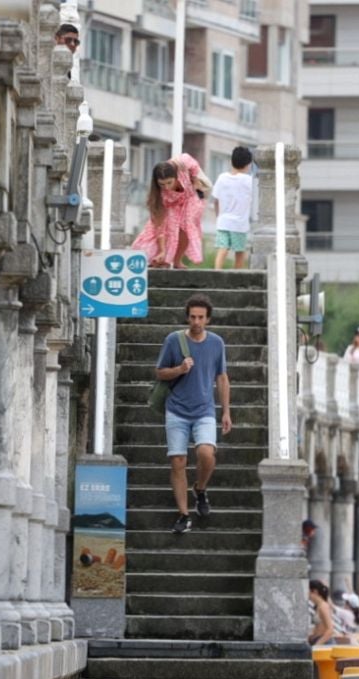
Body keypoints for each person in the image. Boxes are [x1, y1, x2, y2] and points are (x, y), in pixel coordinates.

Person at [155, 294, 231, 534]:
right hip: (176, 409)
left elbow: (222, 377)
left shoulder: (216, 343)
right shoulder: (173, 340)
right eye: (193, 317)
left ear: (208, 319)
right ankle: (184, 514)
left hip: (204, 409)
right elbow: (159, 373)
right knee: (178, 461)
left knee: (206, 453)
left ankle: (200, 488)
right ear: (187, 317)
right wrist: (179, 369)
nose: (196, 321)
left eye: (201, 317)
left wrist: (226, 411)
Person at [132, 155, 205, 269]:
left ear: (176, 176)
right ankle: (163, 258)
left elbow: (192, 164)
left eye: (169, 182)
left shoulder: (181, 165)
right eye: (162, 184)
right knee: (169, 229)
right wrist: (162, 250)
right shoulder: (159, 196)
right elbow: (160, 227)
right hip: (171, 206)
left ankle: (177, 261)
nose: (166, 187)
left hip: (190, 199)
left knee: (186, 226)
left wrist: (195, 179)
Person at [211, 146, 254, 270]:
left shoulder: (222, 178)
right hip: (239, 224)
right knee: (239, 252)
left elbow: (216, 200)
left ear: (231, 161)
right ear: (248, 165)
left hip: (223, 222)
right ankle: (237, 275)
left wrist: (218, 216)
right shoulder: (249, 181)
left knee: (222, 249)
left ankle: (216, 272)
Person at [308, 580, 335, 645]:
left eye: (308, 591)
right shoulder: (319, 606)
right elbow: (318, 626)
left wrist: (317, 645)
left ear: (315, 591)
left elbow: (330, 630)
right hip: (318, 640)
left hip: (324, 643)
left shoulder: (323, 607)